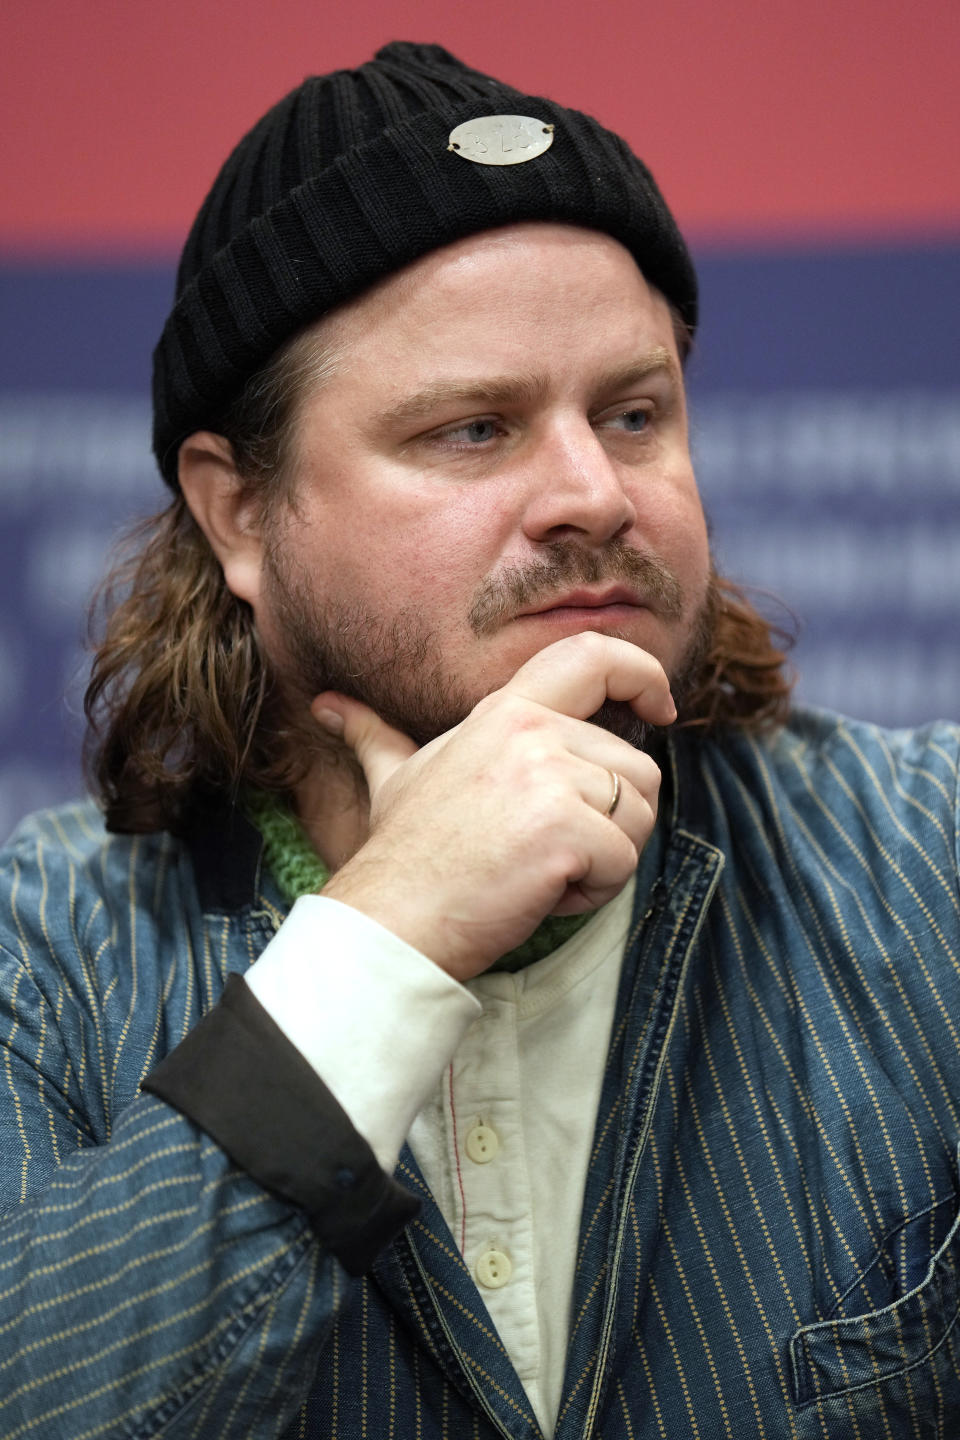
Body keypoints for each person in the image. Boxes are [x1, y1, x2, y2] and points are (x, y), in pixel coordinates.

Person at [1, 39, 957, 1440]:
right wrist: (389, 935)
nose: (592, 491)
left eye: (634, 414)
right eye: (470, 430)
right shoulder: (45, 959)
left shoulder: (927, 862)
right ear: (239, 513)